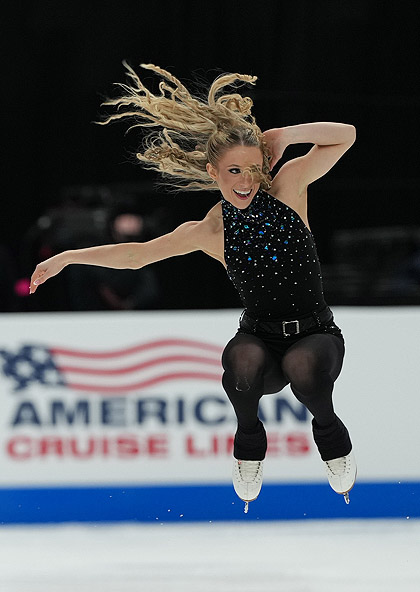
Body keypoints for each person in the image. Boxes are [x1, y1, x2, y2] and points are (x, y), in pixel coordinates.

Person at [29, 63, 356, 511]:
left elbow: (346, 133)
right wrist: (69, 257)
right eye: (233, 171)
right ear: (211, 170)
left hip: (314, 333)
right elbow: (136, 254)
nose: (244, 182)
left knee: (304, 371)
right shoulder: (209, 229)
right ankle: (248, 434)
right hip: (259, 334)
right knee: (240, 365)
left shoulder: (289, 187)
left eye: (253, 170)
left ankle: (328, 431)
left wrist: (282, 134)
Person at [64, 204, 161, 311]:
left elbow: (149, 287)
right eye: (126, 218)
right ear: (114, 222)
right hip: (95, 309)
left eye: (134, 218)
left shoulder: (150, 248)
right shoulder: (97, 246)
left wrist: (130, 304)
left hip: (136, 310)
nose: (131, 222)